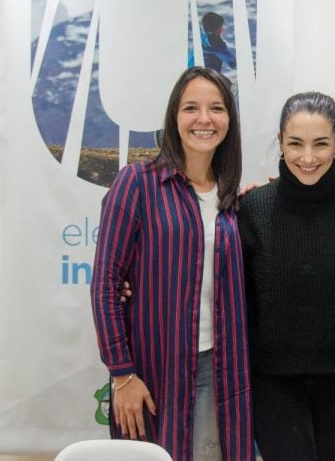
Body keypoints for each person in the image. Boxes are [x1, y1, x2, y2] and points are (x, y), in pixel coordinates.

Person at [91, 66, 253, 460]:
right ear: (173, 117)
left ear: (229, 120)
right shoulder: (137, 184)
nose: (204, 119)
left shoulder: (234, 199)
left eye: (216, 108)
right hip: (153, 370)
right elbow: (106, 285)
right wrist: (122, 374)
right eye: (190, 108)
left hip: (221, 370)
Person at [238, 92, 335, 460]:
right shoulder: (253, 207)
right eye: (296, 144)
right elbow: (231, 293)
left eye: (321, 144)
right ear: (280, 142)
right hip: (272, 383)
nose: (308, 158)